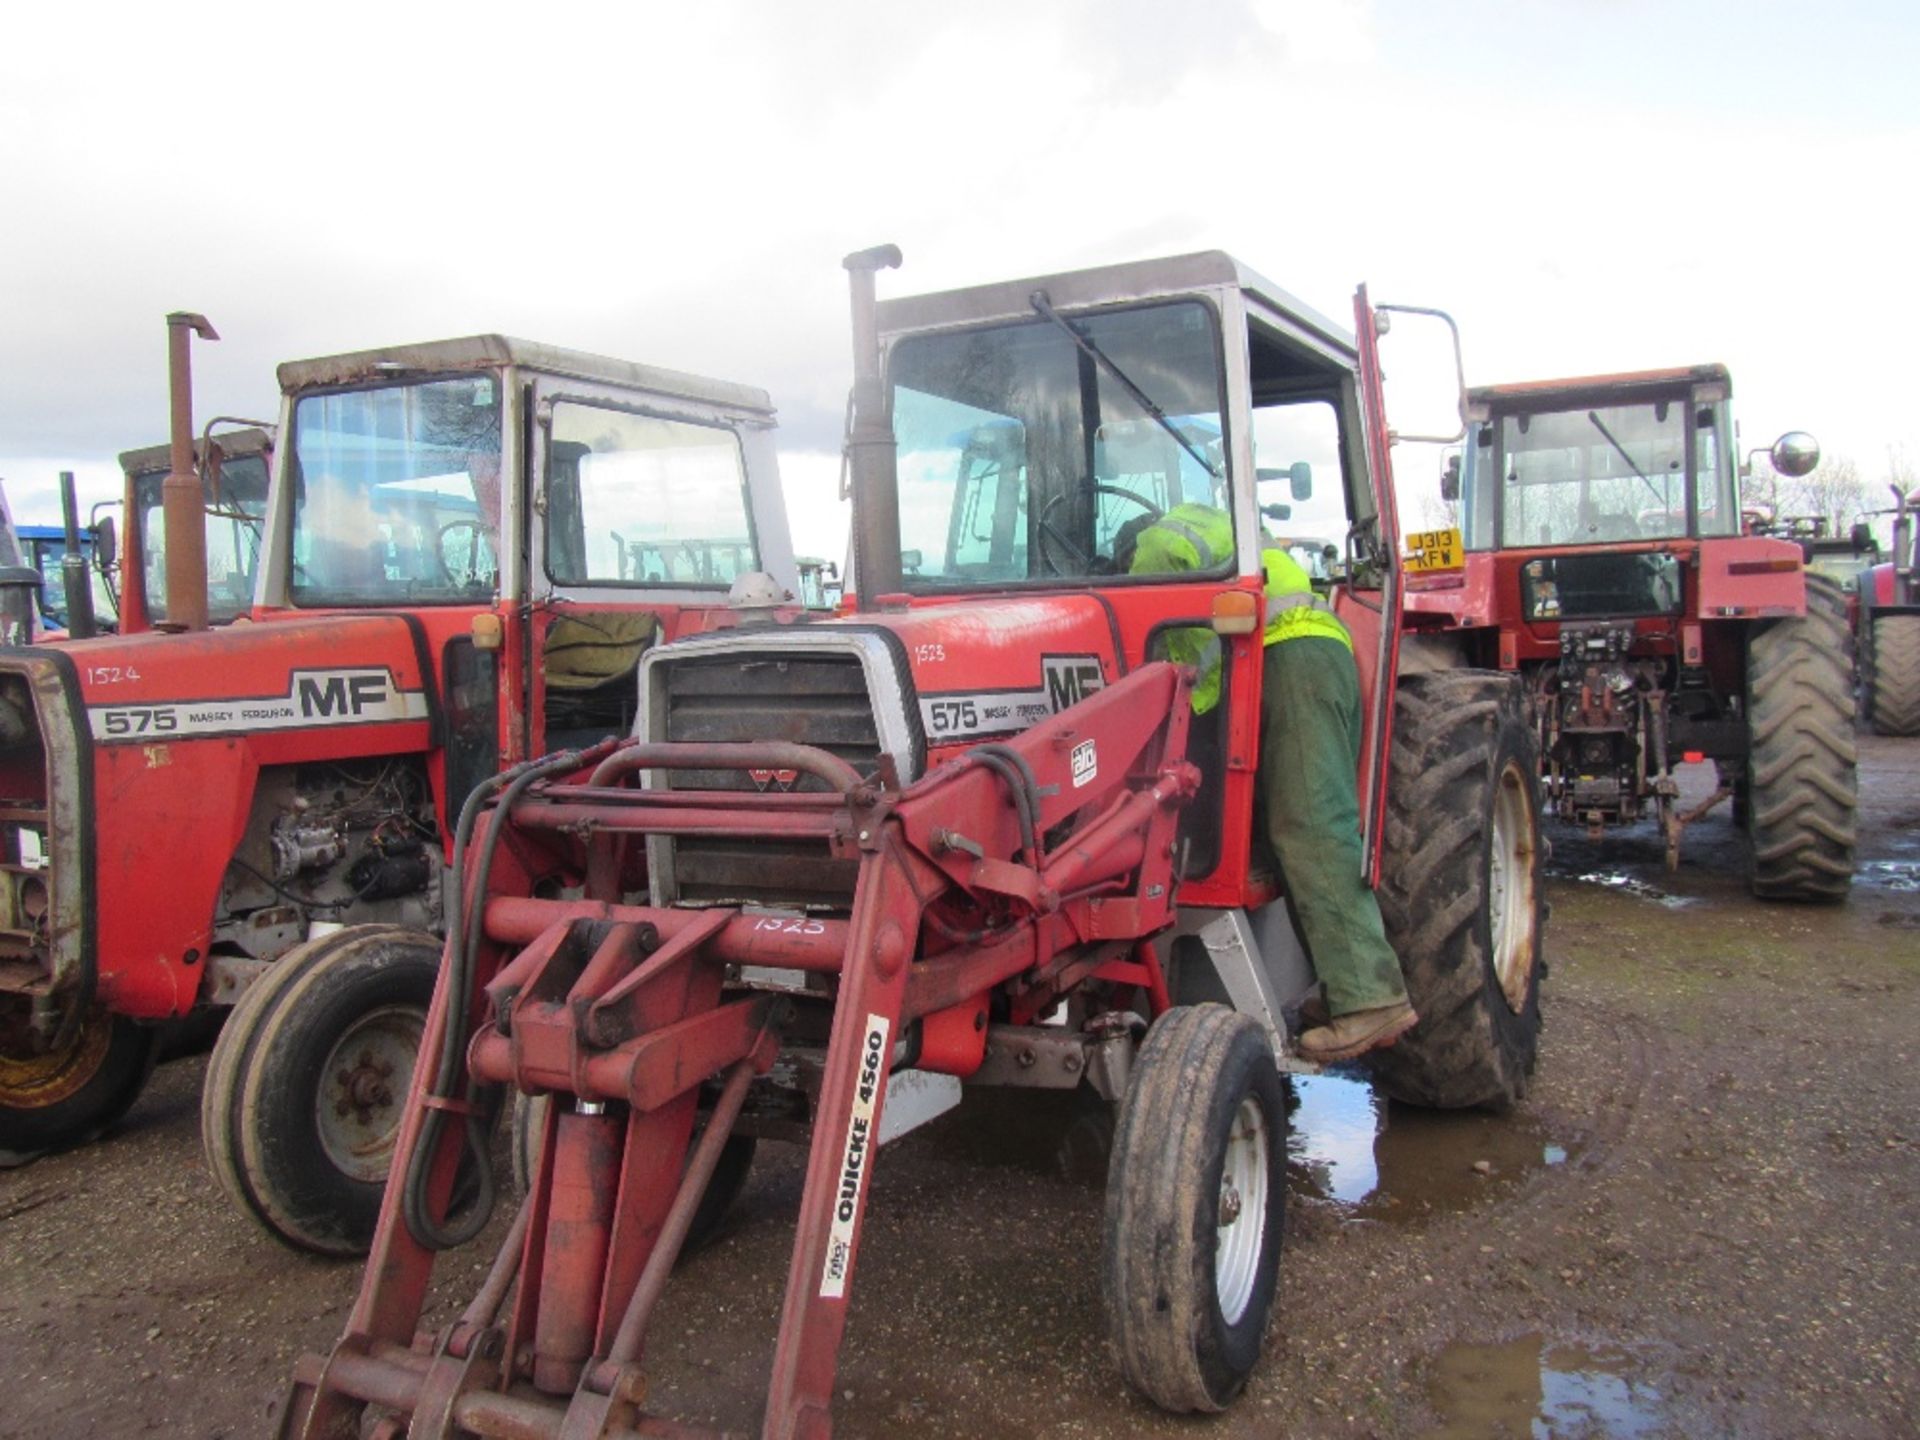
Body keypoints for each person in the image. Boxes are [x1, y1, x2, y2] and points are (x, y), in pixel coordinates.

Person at [1129, 501, 1416, 1061]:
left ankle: (1370, 999)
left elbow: (1181, 670)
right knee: (1296, 826)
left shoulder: (1156, 547)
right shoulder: (1212, 520)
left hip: (1290, 658)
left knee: (1310, 822)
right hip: (1310, 652)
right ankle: (1344, 993)